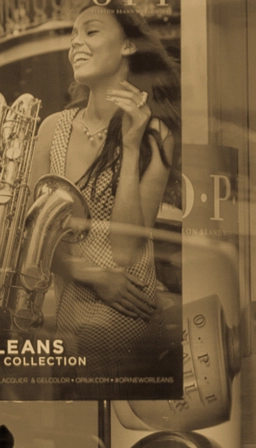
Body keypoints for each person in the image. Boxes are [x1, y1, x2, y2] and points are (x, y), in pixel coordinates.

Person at [27, 0, 180, 351]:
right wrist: (91, 275)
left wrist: (129, 146)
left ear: (128, 45)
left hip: (130, 324)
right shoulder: (53, 129)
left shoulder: (156, 134)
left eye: (91, 32)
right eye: (73, 36)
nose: (75, 44)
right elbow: (32, 234)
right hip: (68, 326)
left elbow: (126, 251)